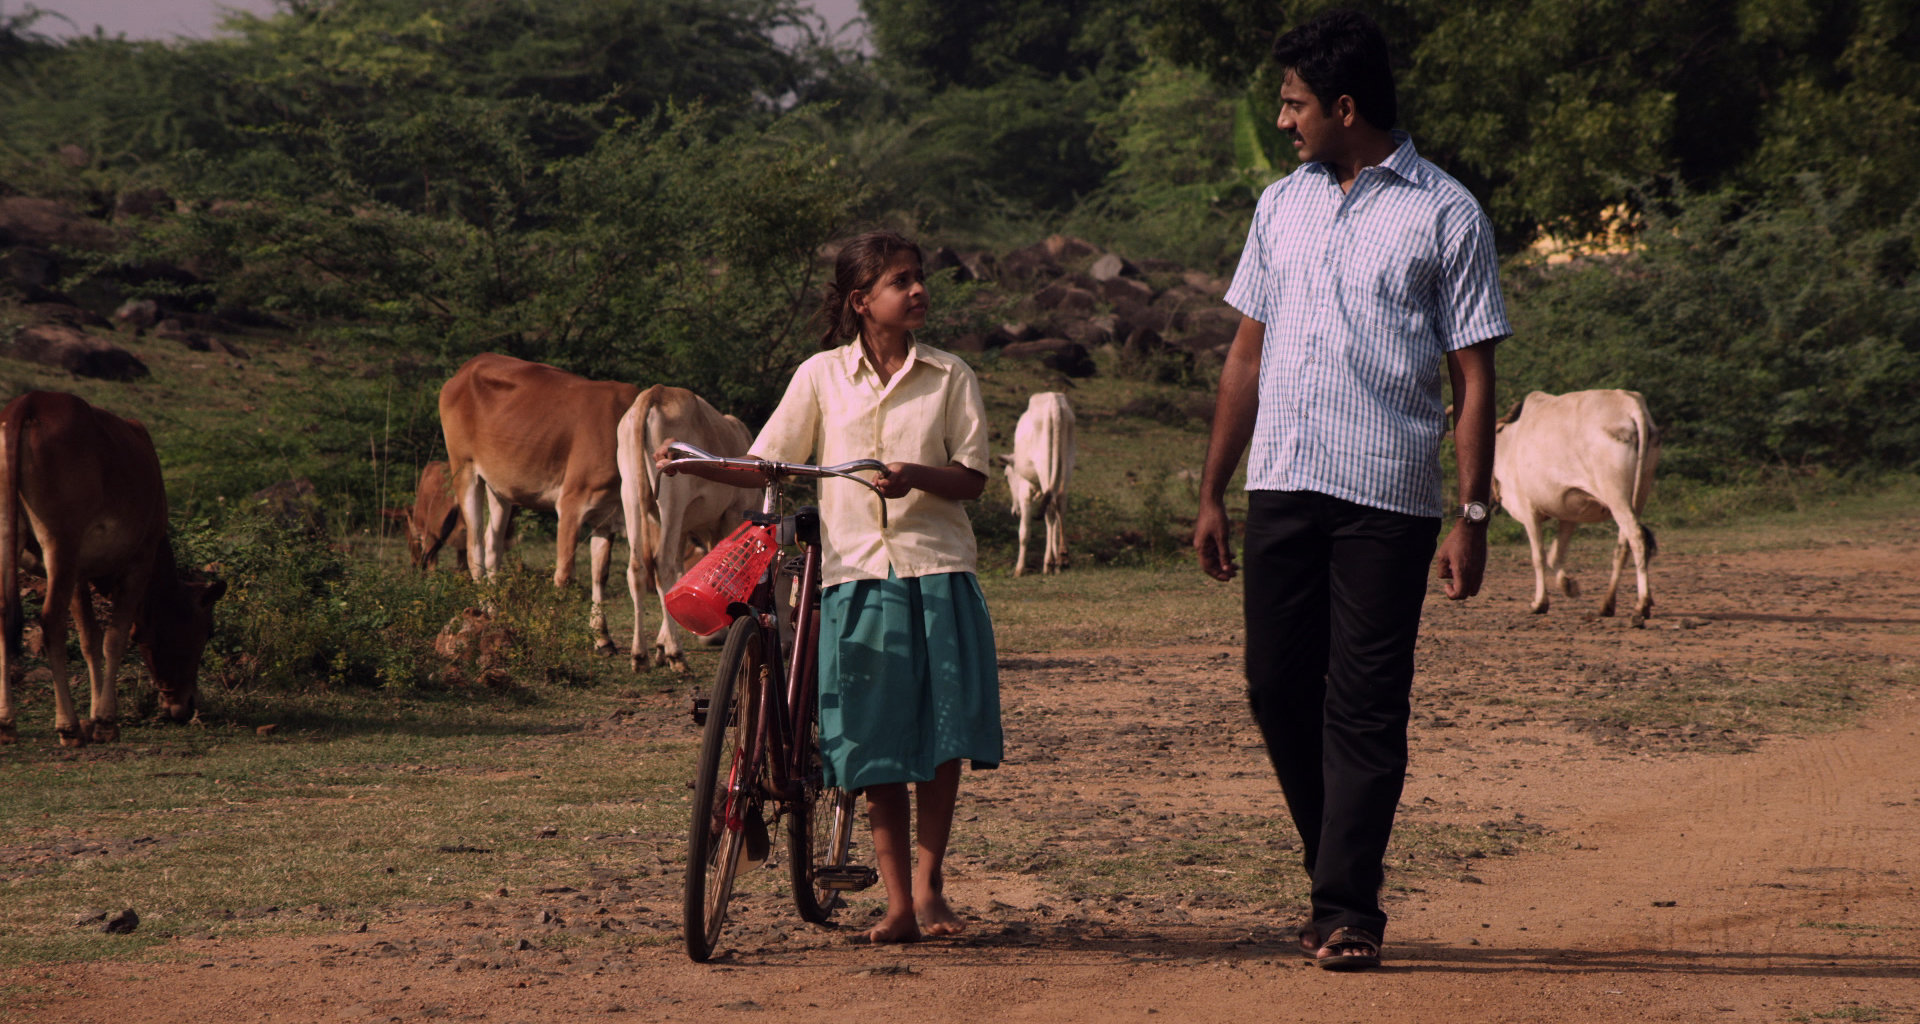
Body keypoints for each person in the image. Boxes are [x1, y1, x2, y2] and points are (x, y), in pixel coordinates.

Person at [1191, 9, 1509, 972]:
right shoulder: (1279, 206)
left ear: (1343, 104)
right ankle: (1339, 862)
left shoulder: (1447, 213)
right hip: (1283, 484)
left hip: (1390, 499)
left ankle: (1347, 909)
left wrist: (1474, 515)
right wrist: (1213, 490)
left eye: (1293, 104)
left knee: (1365, 704)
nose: (1283, 122)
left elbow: (1475, 379)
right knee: (1275, 687)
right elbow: (1245, 355)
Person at [659, 230, 1002, 944]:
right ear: (861, 301)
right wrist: (696, 464)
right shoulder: (820, 376)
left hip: (936, 567)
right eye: (900, 281)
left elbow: (972, 475)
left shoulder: (950, 375)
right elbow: (769, 463)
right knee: (878, 743)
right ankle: (898, 903)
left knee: (940, 742)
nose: (917, 291)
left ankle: (932, 887)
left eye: (918, 278)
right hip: (857, 575)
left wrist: (913, 475)